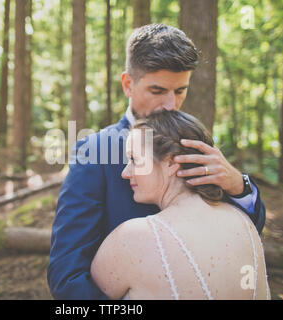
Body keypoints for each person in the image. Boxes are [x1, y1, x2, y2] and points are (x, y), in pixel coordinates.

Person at [47, 24, 266, 300]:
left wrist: (238, 186)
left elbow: (246, 235)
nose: (170, 105)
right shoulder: (95, 153)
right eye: (157, 90)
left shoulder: (192, 142)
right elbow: (67, 276)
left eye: (179, 91)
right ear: (128, 84)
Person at [91, 110, 270, 299]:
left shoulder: (133, 237)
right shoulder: (245, 223)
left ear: (170, 163)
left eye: (135, 159)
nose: (125, 173)